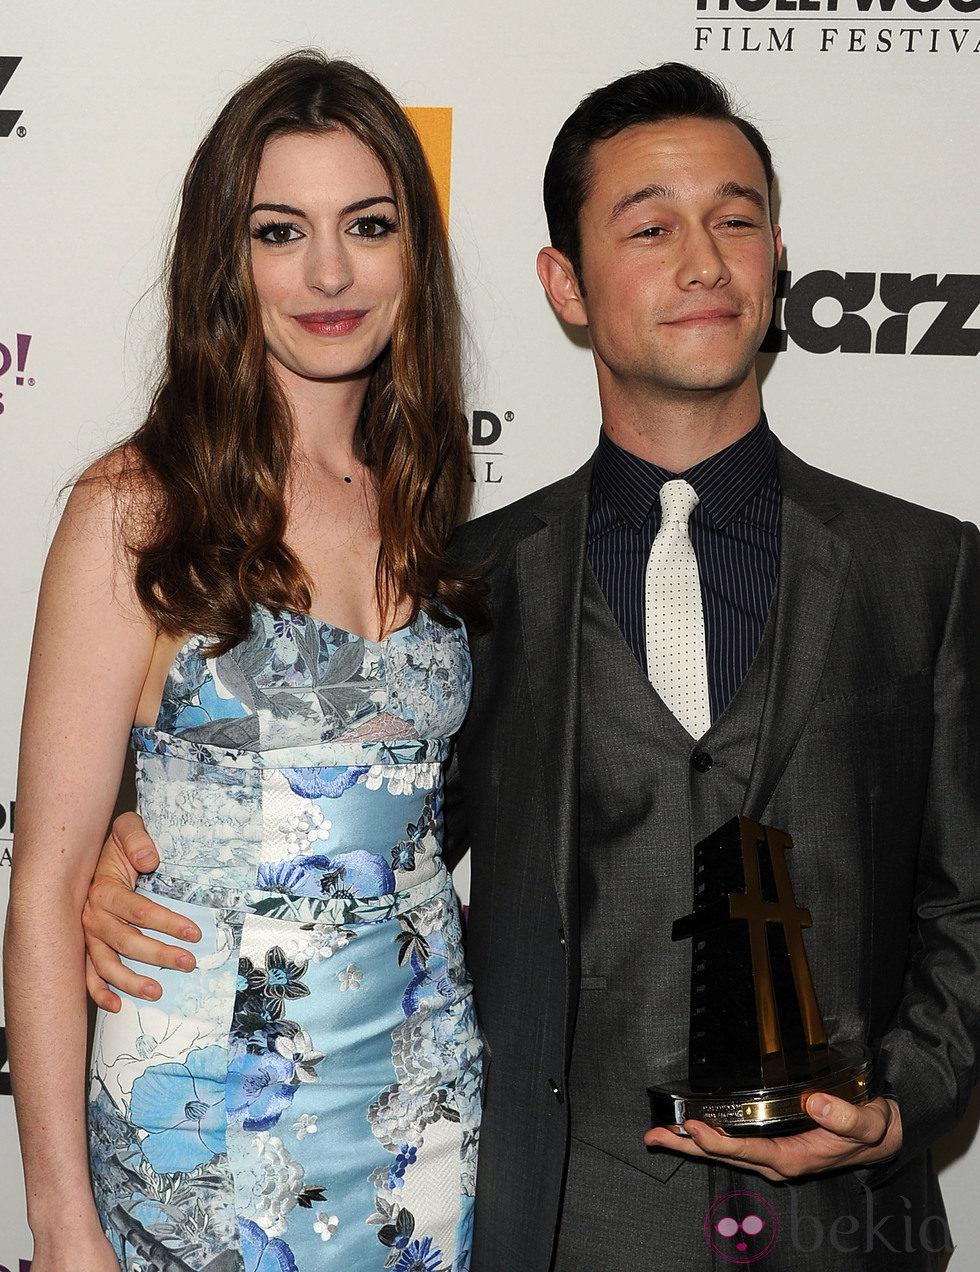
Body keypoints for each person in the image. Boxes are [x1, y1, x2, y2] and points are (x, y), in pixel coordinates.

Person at [83, 64, 980, 1270]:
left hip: (845, 1232)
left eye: (734, 219)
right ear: (563, 282)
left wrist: (894, 1105)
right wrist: (132, 859)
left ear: (776, 258)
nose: (702, 261)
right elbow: (361, 831)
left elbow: (965, 904)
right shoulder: (461, 585)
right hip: (554, 1228)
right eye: (649, 227)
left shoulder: (925, 568)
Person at [4, 50, 485, 1272]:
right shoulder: (136, 507)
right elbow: (52, 887)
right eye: (281, 231)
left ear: (409, 256)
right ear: (229, 259)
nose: (329, 273)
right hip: (200, 1120)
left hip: (422, 1110)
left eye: (365, 227)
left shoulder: (428, 508)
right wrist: (61, 1223)